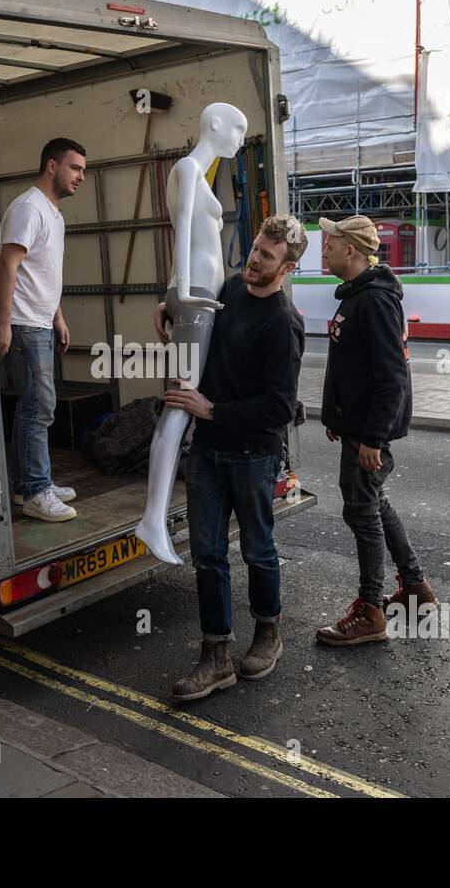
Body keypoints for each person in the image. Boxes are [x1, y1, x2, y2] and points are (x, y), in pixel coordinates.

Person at [154, 214, 307, 701]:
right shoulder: (231, 290)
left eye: (266, 256)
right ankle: (215, 656)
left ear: (286, 268)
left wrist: (211, 409)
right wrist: (169, 313)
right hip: (209, 451)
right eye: (256, 248)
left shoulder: (284, 324)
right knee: (208, 555)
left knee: (257, 550)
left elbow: (279, 407)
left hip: (253, 455)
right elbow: (199, 323)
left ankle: (268, 631)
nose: (254, 260)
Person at [313, 215, 437, 647]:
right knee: (372, 503)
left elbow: (391, 377)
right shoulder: (357, 296)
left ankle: (370, 612)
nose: (322, 251)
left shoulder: (375, 300)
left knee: (361, 512)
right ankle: (416, 589)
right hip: (358, 428)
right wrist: (341, 418)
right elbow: (355, 370)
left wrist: (373, 439)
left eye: (329, 245)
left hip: (369, 435)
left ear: (350, 250)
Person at [134, 103, 245, 566]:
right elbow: (179, 236)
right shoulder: (187, 167)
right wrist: (182, 293)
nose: (241, 136)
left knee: (185, 400)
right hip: (197, 293)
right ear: (214, 125)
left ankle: (156, 517)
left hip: (197, 294)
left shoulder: (199, 172)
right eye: (237, 127)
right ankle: (152, 519)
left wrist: (171, 296)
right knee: (181, 402)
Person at [0, 138, 86, 523]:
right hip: (23, 324)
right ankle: (35, 488)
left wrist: (58, 317)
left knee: (36, 405)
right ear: (52, 166)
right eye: (75, 168)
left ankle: (27, 484)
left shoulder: (54, 214)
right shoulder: (29, 208)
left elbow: (43, 272)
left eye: (83, 169)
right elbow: (7, 266)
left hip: (41, 321)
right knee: (38, 405)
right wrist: (2, 323)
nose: (81, 176)